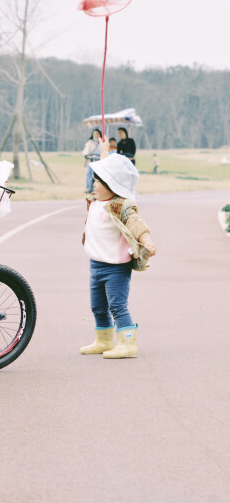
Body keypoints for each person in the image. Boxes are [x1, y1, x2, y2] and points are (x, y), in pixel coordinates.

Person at [80, 138, 156, 358]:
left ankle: (128, 343)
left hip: (115, 268)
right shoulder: (97, 198)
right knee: (97, 306)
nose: (93, 184)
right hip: (96, 264)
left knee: (117, 306)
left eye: (98, 181)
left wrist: (147, 240)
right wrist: (105, 151)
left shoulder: (120, 205)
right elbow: (108, 171)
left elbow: (136, 223)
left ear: (111, 185)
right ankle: (103, 340)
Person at [82, 128, 102, 193]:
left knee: (97, 175)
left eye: (97, 134)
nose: (96, 135)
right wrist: (87, 155)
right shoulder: (90, 142)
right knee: (89, 174)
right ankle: (88, 187)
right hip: (91, 160)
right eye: (94, 134)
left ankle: (95, 188)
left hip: (99, 161)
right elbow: (86, 150)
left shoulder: (101, 142)